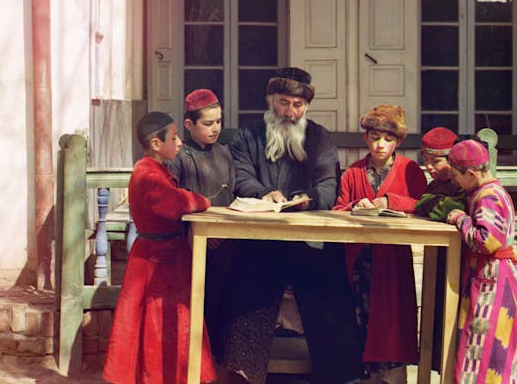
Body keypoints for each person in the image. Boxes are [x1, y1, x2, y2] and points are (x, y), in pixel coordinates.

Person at [218, 67, 363, 384]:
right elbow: (240, 179)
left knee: (329, 291)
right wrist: (261, 193)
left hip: (309, 241)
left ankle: (337, 378)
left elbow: (328, 185)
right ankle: (243, 375)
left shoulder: (320, 138)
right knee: (246, 289)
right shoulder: (248, 136)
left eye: (297, 106)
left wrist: (309, 199)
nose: (290, 112)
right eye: (283, 103)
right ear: (270, 101)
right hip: (260, 241)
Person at [103, 111, 216, 384]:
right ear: (156, 143)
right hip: (157, 262)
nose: (179, 143)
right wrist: (202, 200)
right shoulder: (147, 174)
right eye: (174, 137)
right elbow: (176, 204)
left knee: (165, 324)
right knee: (158, 326)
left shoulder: (154, 169)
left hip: (164, 257)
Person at [332, 104, 427, 384]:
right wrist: (353, 205)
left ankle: (391, 378)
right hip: (359, 260)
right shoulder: (353, 172)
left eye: (387, 139)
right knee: (360, 316)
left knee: (391, 321)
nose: (380, 145)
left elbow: (424, 204)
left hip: (392, 259)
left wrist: (391, 202)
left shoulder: (410, 170)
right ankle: (361, 376)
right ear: (366, 139)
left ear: (398, 142)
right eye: (374, 138)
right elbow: (337, 208)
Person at [445, 139, 517, 384]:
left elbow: (487, 240)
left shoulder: (489, 196)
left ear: (471, 174)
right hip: (491, 278)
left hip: (492, 283)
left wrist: (461, 219)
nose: (455, 181)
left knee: (490, 351)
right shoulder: (486, 192)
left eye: (457, 176)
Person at [166, 88, 236, 359]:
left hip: (227, 245)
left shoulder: (225, 154)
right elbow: (173, 201)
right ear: (188, 124)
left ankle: (216, 364)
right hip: (191, 246)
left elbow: (234, 193)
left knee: (222, 306)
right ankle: (193, 365)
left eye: (219, 121)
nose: (215, 128)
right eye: (208, 123)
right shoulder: (179, 158)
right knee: (196, 309)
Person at [413, 127, 468, 373]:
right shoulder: (434, 185)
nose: (430, 168)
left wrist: (438, 206)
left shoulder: (463, 185)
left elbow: (450, 207)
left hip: (462, 265)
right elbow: (424, 204)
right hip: (437, 264)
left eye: (435, 161)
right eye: (426, 161)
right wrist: (436, 205)